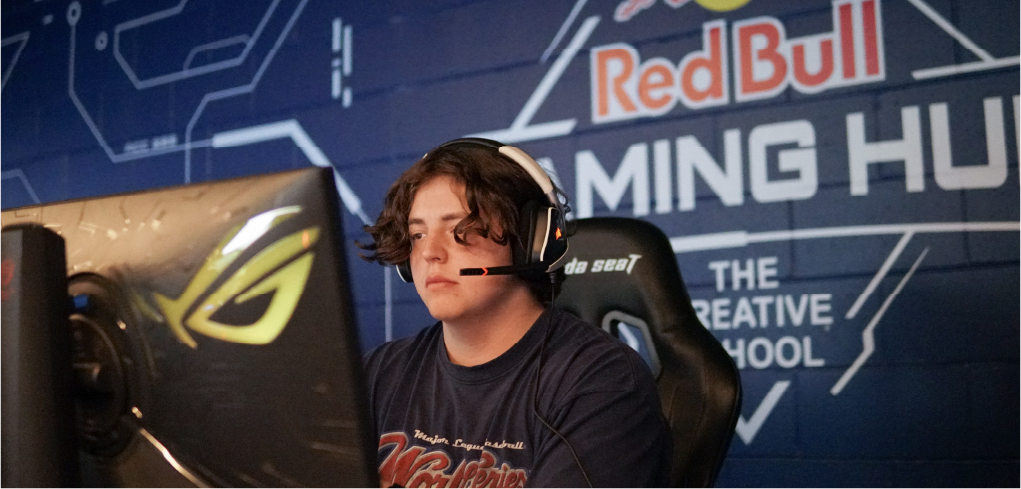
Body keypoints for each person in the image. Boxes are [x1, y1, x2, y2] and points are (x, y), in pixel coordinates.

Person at [359, 138, 671, 487]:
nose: (429, 252)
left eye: (461, 229)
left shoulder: (603, 384)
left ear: (531, 241)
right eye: (417, 234)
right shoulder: (379, 374)